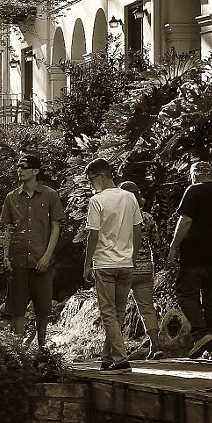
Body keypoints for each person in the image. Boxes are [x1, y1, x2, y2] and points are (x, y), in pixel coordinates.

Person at [170, 160, 212, 360]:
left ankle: (201, 334)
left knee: (185, 294)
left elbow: (186, 220)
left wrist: (174, 247)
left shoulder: (194, 191)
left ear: (195, 175)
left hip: (194, 255)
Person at [0, 152, 65, 348]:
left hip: (41, 258)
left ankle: (42, 349)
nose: (19, 170)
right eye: (18, 167)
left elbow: (56, 227)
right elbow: (8, 229)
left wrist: (47, 256)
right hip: (18, 258)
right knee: (17, 307)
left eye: (24, 167)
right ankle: (19, 350)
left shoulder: (50, 195)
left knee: (43, 308)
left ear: (35, 171)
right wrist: (5, 256)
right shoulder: (11, 197)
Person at [81, 158, 140, 372]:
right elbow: (137, 230)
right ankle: (107, 358)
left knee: (108, 312)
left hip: (105, 263)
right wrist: (132, 258)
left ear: (103, 176)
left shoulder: (97, 201)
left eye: (91, 180)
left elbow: (93, 235)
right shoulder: (130, 197)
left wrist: (87, 264)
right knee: (118, 313)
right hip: (126, 262)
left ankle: (121, 360)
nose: (90, 184)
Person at [118, 179, 161, 356]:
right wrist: (155, 264)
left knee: (117, 309)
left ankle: (117, 350)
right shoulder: (147, 217)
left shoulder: (117, 217)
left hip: (124, 267)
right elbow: (157, 245)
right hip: (144, 269)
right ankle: (156, 346)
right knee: (147, 308)